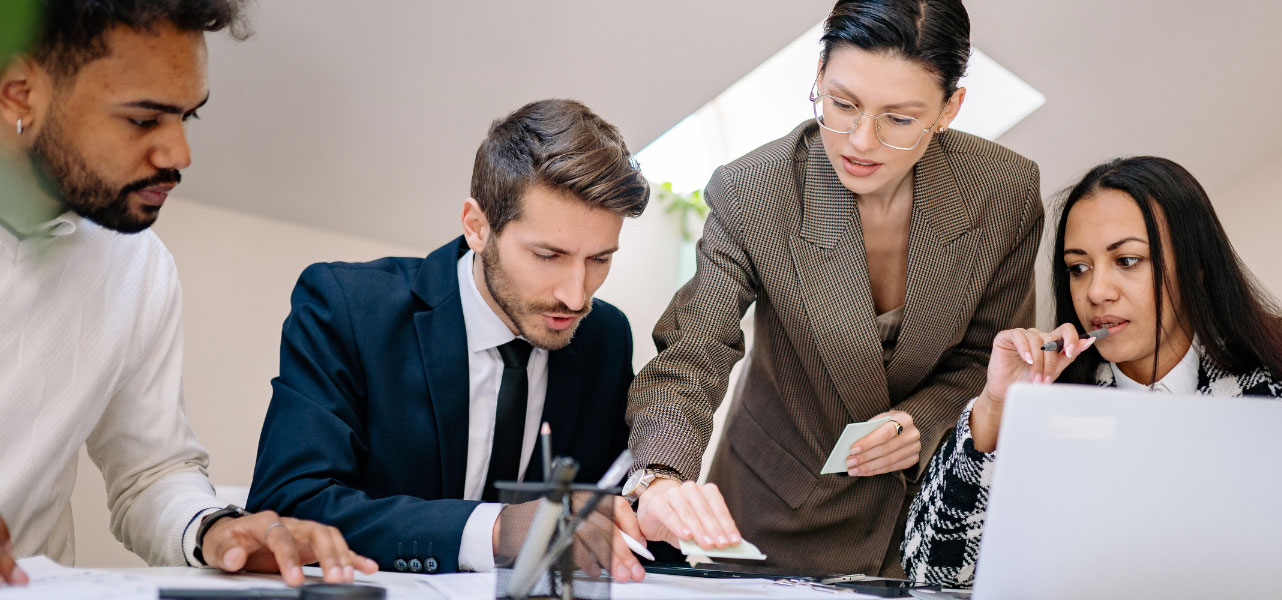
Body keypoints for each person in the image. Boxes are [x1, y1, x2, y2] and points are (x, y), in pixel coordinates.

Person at [624, 0, 1042, 576]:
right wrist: (659, 477)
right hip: (771, 514)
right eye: (842, 104)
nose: (860, 141)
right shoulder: (754, 191)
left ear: (950, 108)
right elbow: (695, 351)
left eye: (898, 118)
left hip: (923, 519)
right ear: (817, 77)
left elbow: (989, 358)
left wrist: (921, 421)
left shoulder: (1005, 191)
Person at [901, 156, 1282, 598]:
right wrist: (997, 409)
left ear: (1198, 267)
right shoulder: (1049, 407)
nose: (1096, 292)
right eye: (1079, 266)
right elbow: (931, 573)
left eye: (1127, 261)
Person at [0, 0, 376, 587]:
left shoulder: (136, 264)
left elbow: (149, 472)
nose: (179, 156)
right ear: (19, 92)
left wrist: (215, 531)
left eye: (187, 118)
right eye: (143, 120)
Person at [246, 99, 656, 581]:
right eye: (548, 255)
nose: (575, 295)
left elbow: (608, 515)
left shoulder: (605, 337)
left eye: (599, 260)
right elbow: (287, 504)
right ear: (477, 227)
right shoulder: (348, 308)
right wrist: (496, 529)